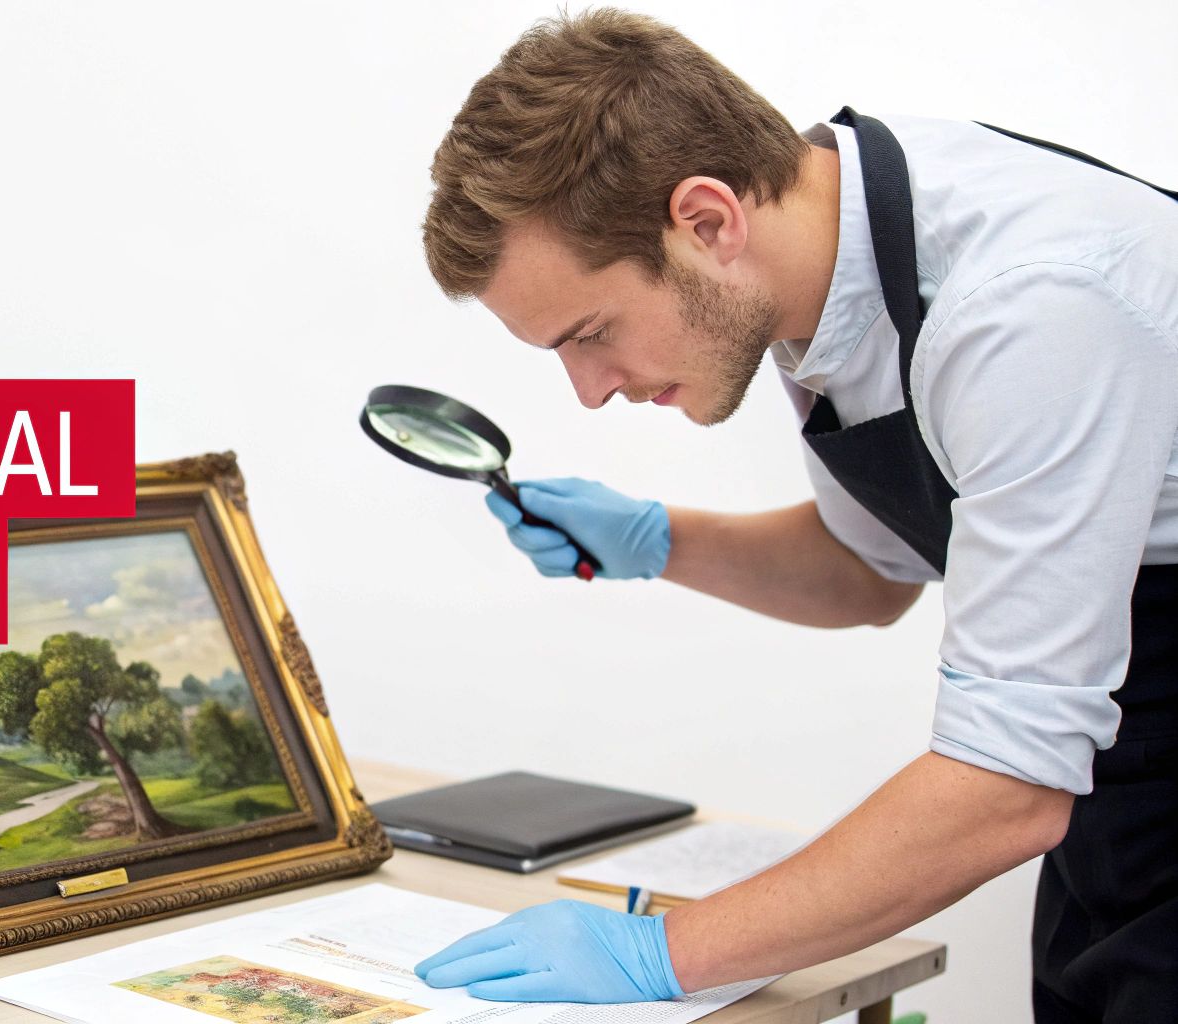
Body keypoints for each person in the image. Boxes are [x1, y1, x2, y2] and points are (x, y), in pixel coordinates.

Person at [408, 9, 1178, 1022]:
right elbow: (870, 572)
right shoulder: (811, 267)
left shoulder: (1027, 310)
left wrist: (662, 952)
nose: (588, 391)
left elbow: (1005, 789)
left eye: (589, 333)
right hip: (1124, 782)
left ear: (706, 221)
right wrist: (655, 538)